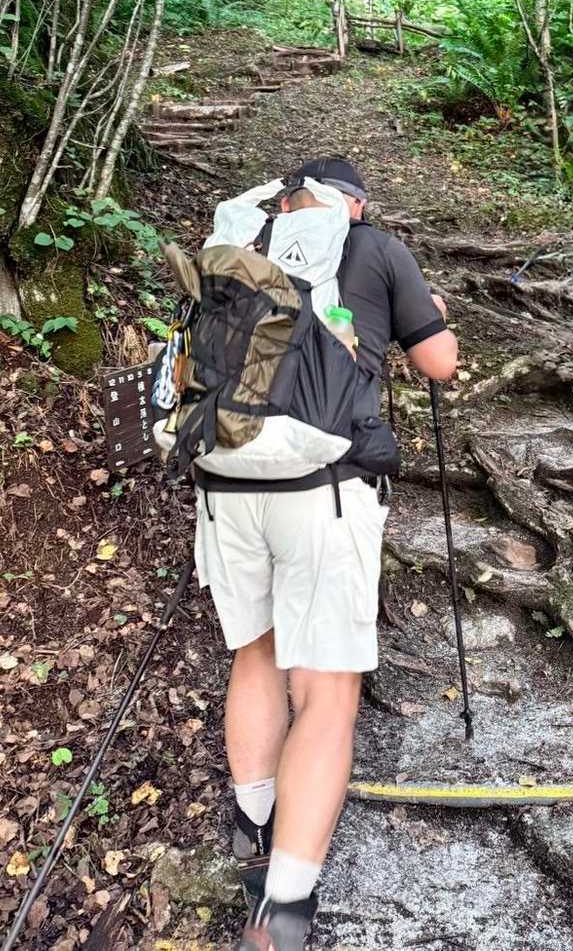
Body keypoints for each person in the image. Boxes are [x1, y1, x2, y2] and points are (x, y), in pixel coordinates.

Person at [193, 157, 458, 951]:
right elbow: (439, 362)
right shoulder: (374, 246)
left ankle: (253, 821)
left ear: (287, 199)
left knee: (255, 651)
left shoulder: (237, 242)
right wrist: (427, 314)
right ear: (355, 203)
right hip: (323, 486)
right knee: (326, 687)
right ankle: (283, 907)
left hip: (224, 477)